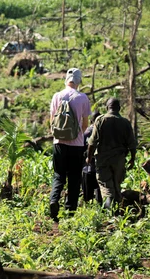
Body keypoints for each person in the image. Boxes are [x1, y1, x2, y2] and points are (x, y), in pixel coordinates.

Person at [49, 68, 91, 222]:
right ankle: (70, 211)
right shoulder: (83, 98)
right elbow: (85, 124)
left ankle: (54, 200)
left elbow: (51, 120)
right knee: (74, 178)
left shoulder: (56, 96)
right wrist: (77, 135)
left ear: (66, 80)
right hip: (77, 144)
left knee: (59, 175)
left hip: (58, 143)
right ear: (79, 81)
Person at [86, 98, 137, 209]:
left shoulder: (100, 120)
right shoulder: (125, 123)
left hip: (103, 159)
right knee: (116, 186)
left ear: (107, 107)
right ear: (119, 108)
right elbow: (132, 144)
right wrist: (132, 159)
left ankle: (110, 212)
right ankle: (118, 211)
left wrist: (88, 157)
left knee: (106, 187)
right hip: (119, 160)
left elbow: (92, 142)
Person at [82, 111, 102, 204]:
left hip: (87, 166)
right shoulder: (103, 130)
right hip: (100, 166)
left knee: (87, 194)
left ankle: (88, 208)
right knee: (99, 188)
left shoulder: (86, 132)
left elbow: (81, 147)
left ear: (91, 121)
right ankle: (101, 208)